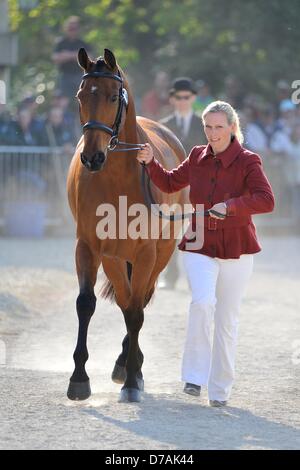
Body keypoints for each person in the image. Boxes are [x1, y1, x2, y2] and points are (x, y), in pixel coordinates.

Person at [137, 101, 275, 407]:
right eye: (208, 127)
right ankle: (194, 378)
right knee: (202, 302)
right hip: (199, 244)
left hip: (238, 249)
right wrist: (149, 163)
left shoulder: (249, 161)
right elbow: (171, 182)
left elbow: (266, 200)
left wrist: (232, 207)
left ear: (232, 128)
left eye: (219, 127)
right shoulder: (197, 155)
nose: (212, 134)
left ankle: (220, 390)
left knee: (227, 321)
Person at [158, 77, 207, 289]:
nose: (183, 101)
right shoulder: (163, 126)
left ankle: (196, 276)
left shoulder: (205, 124)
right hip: (172, 183)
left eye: (187, 97)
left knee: (197, 229)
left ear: (193, 98)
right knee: (169, 228)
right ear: (172, 99)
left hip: (199, 183)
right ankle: (170, 276)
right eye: (179, 97)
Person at [52, 16, 91, 100]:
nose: (72, 30)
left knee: (82, 99)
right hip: (64, 76)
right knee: (63, 101)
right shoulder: (61, 43)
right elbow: (55, 59)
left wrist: (67, 55)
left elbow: (89, 58)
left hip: (80, 76)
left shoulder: (83, 43)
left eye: (74, 28)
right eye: (70, 28)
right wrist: (77, 55)